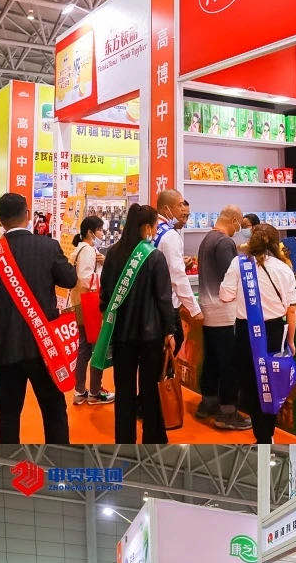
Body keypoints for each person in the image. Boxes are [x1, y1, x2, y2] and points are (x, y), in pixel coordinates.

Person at [0, 192, 77, 445]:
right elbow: (69, 279)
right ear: (28, 215)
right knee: (54, 411)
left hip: (3, 347)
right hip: (44, 348)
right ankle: (59, 460)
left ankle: (9, 464)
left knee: (8, 417)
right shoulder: (48, 247)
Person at [100, 203, 175, 444]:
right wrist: (169, 330)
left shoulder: (112, 253)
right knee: (150, 389)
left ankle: (124, 439)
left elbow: (105, 294)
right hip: (150, 336)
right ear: (146, 227)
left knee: (123, 391)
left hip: (121, 335)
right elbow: (164, 298)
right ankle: (153, 438)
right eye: (154, 226)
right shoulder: (154, 256)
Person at [219, 221, 296, 443]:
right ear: (276, 244)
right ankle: (267, 434)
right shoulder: (284, 268)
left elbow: (225, 295)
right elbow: (291, 309)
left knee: (250, 383)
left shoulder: (239, 263)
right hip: (274, 332)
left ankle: (260, 435)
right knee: (272, 382)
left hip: (246, 333)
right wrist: (291, 341)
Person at [195, 204, 251, 431]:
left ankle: (208, 402)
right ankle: (227, 412)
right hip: (225, 312)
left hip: (208, 310)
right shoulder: (225, 242)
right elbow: (232, 278)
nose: (240, 227)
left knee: (211, 359)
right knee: (229, 363)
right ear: (234, 219)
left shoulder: (207, 239)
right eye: (240, 223)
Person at [70, 216, 114, 407]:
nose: (102, 233)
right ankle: (95, 392)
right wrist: (104, 277)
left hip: (80, 302)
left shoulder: (80, 249)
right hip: (91, 303)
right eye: (100, 230)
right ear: (90, 232)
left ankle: (80, 390)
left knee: (84, 347)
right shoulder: (88, 250)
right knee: (97, 348)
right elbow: (86, 278)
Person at [154, 189, 202, 353]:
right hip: (167, 304)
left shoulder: (152, 229)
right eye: (180, 205)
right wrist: (194, 309)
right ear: (166, 208)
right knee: (171, 347)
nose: (183, 209)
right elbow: (177, 277)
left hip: (151, 302)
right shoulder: (170, 236)